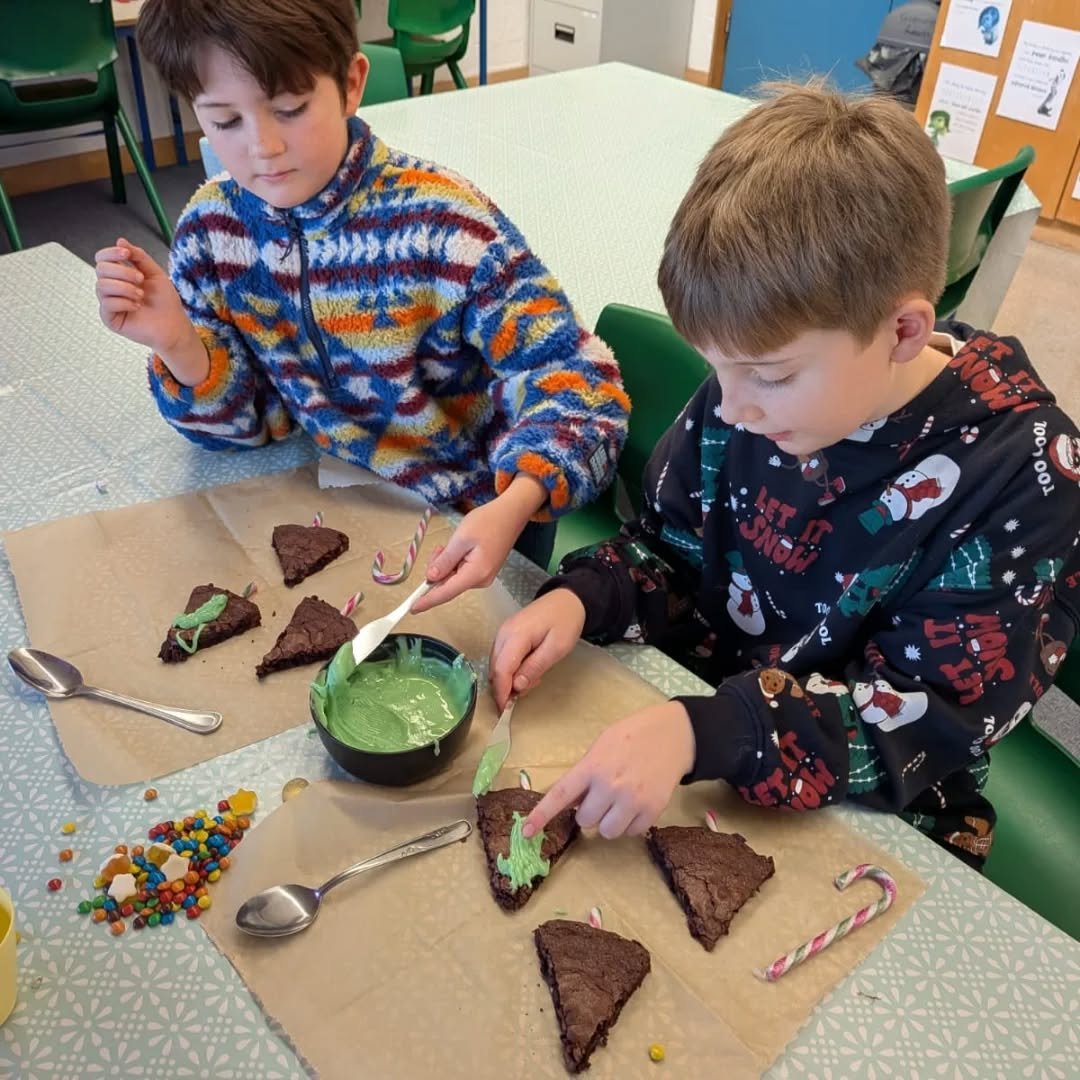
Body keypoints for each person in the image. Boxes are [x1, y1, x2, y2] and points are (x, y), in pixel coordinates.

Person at [489, 82, 1080, 868]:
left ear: (903, 329)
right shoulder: (751, 391)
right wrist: (584, 595)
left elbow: (917, 728)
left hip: (880, 807)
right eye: (717, 370)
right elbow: (665, 550)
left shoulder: (1025, 477)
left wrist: (704, 733)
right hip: (702, 741)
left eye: (768, 376)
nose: (729, 410)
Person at [93, 0, 629, 610]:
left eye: (289, 109)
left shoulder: (444, 226)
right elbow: (249, 428)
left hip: (475, 518)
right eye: (224, 121)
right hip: (337, 508)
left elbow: (585, 384)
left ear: (351, 84)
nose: (262, 147)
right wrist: (178, 344)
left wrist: (517, 499)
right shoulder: (211, 235)